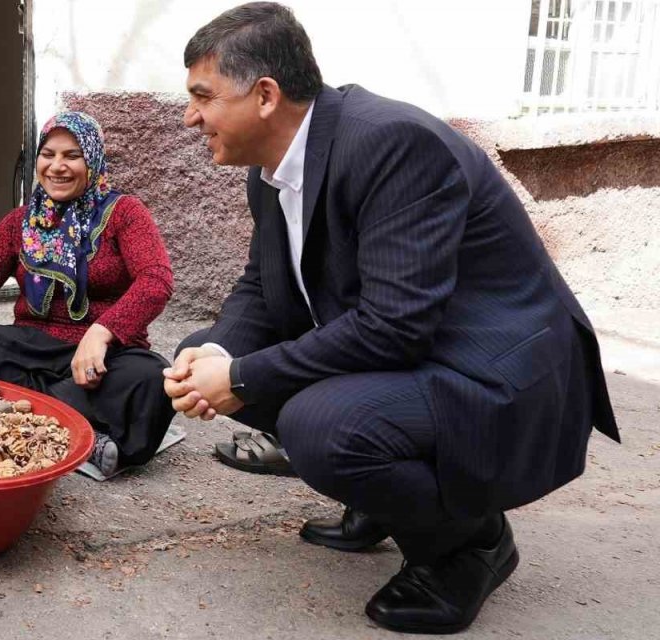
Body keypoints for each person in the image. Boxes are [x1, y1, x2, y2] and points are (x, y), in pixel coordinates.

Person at [164, 4, 618, 634]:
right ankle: (383, 499)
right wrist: (220, 356)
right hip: (420, 352)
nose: (190, 116)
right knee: (205, 348)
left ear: (264, 95)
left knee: (319, 424)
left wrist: (240, 377)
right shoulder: (269, 169)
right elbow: (261, 284)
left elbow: (395, 326)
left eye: (202, 96)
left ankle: (470, 545)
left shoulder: (391, 143)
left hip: (501, 372)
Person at [0, 112, 175, 478]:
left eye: (72, 156)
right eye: (48, 154)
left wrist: (102, 332)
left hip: (105, 356)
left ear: (92, 161)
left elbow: (156, 280)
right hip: (35, 348)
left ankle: (26, 417)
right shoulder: (20, 222)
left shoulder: (124, 213)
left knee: (153, 379)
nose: (57, 167)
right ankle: (80, 430)